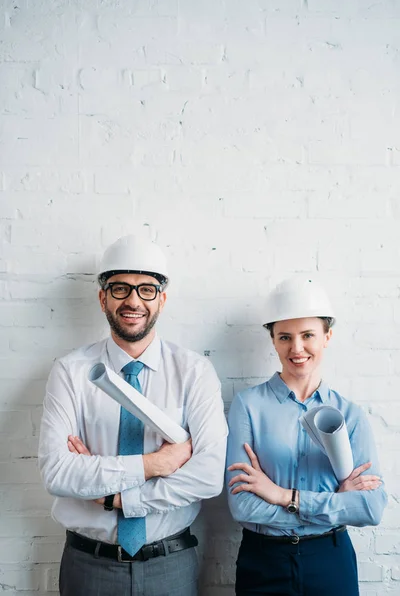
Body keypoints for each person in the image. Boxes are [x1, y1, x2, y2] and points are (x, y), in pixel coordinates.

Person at [39, 234, 228, 596]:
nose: (133, 301)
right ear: (102, 297)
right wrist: (155, 464)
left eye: (146, 289)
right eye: (120, 288)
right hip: (88, 566)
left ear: (162, 299)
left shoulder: (194, 371)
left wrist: (115, 497)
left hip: (170, 564)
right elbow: (57, 472)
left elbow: (207, 476)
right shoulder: (70, 372)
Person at [226, 277, 387, 596]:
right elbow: (242, 506)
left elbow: (370, 509)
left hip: (330, 559)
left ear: (327, 337)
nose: (296, 348)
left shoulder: (350, 414)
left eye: (308, 335)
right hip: (263, 560)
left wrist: (284, 496)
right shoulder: (248, 406)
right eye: (285, 336)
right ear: (272, 340)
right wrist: (336, 502)